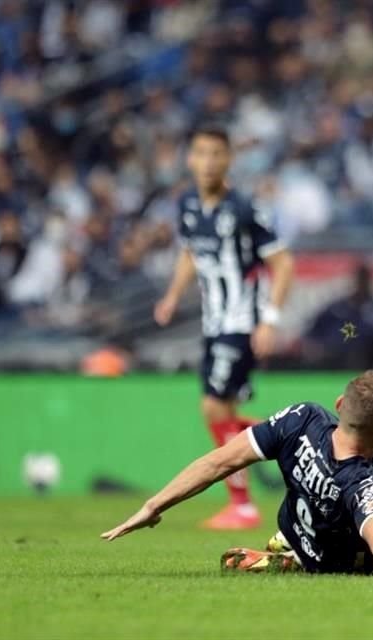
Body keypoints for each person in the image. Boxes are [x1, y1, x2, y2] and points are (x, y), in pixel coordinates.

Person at [101, 371, 373, 579]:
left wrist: (153, 506)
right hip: (339, 563)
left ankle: (290, 545)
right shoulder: (370, 481)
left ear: (341, 405)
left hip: (296, 528)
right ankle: (301, 561)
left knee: (357, 505)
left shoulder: (302, 418)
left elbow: (218, 463)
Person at [153, 125, 295, 530]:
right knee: (225, 411)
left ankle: (243, 505)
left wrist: (269, 320)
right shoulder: (187, 205)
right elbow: (190, 253)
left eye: (217, 153)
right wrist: (172, 295)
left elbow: (283, 264)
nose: (209, 162)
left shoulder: (246, 208)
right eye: (201, 153)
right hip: (213, 322)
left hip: (241, 322)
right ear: (190, 159)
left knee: (213, 406)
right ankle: (291, 438)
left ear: (229, 159)